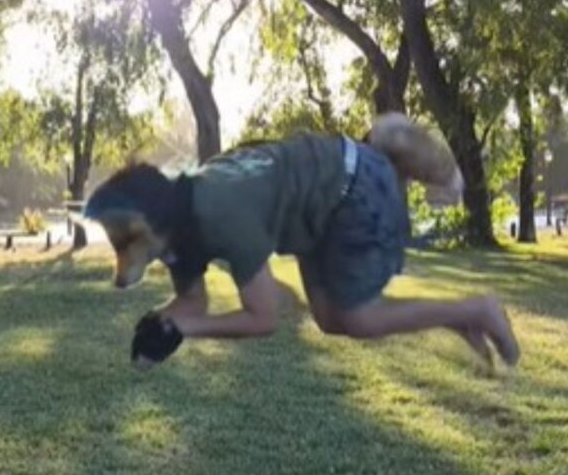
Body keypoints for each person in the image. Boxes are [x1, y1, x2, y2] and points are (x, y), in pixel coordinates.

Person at [84, 113, 520, 369]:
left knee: (357, 318)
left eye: (124, 244)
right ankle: (460, 316)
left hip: (354, 188)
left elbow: (263, 317)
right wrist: (161, 325)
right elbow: (192, 303)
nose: (122, 267)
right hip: (320, 213)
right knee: (331, 319)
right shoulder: (179, 228)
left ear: (148, 223)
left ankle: (475, 309)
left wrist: (185, 329)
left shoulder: (218, 210)